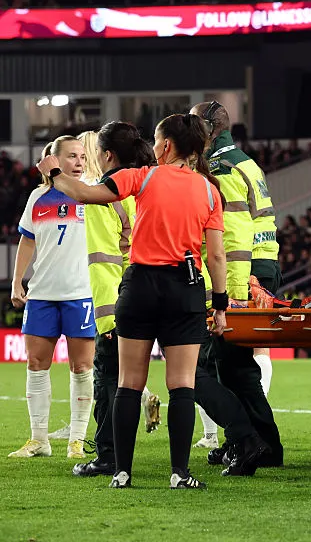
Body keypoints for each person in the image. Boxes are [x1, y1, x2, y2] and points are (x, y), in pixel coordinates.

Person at [39, 113, 229, 489]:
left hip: (140, 285)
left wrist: (53, 173)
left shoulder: (141, 177)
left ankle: (122, 472)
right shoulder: (210, 190)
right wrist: (219, 305)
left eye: (157, 141)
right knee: (181, 385)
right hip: (183, 288)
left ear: (167, 146)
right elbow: (217, 256)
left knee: (127, 382)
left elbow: (85, 194)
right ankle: (180, 473)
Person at [187, 100, 282, 465]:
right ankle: (257, 443)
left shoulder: (221, 168)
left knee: (226, 364)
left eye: (194, 124)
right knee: (232, 365)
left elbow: (232, 235)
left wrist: (231, 294)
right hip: (262, 262)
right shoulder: (244, 161)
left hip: (247, 270)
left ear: (209, 127)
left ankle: (253, 443)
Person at [71, 125, 162, 477]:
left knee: (109, 380)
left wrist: (107, 319)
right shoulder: (147, 185)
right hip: (158, 291)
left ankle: (108, 457)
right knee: (183, 377)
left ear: (107, 155)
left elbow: (103, 259)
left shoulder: (101, 196)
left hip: (121, 299)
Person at [8, 136, 95, 460]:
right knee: (35, 364)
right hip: (43, 294)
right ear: (53, 159)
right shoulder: (38, 197)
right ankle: (39, 439)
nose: (79, 162)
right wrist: (18, 281)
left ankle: (76, 439)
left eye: (82, 157)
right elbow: (27, 242)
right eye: (72, 156)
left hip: (81, 293)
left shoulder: (91, 192)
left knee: (82, 367)